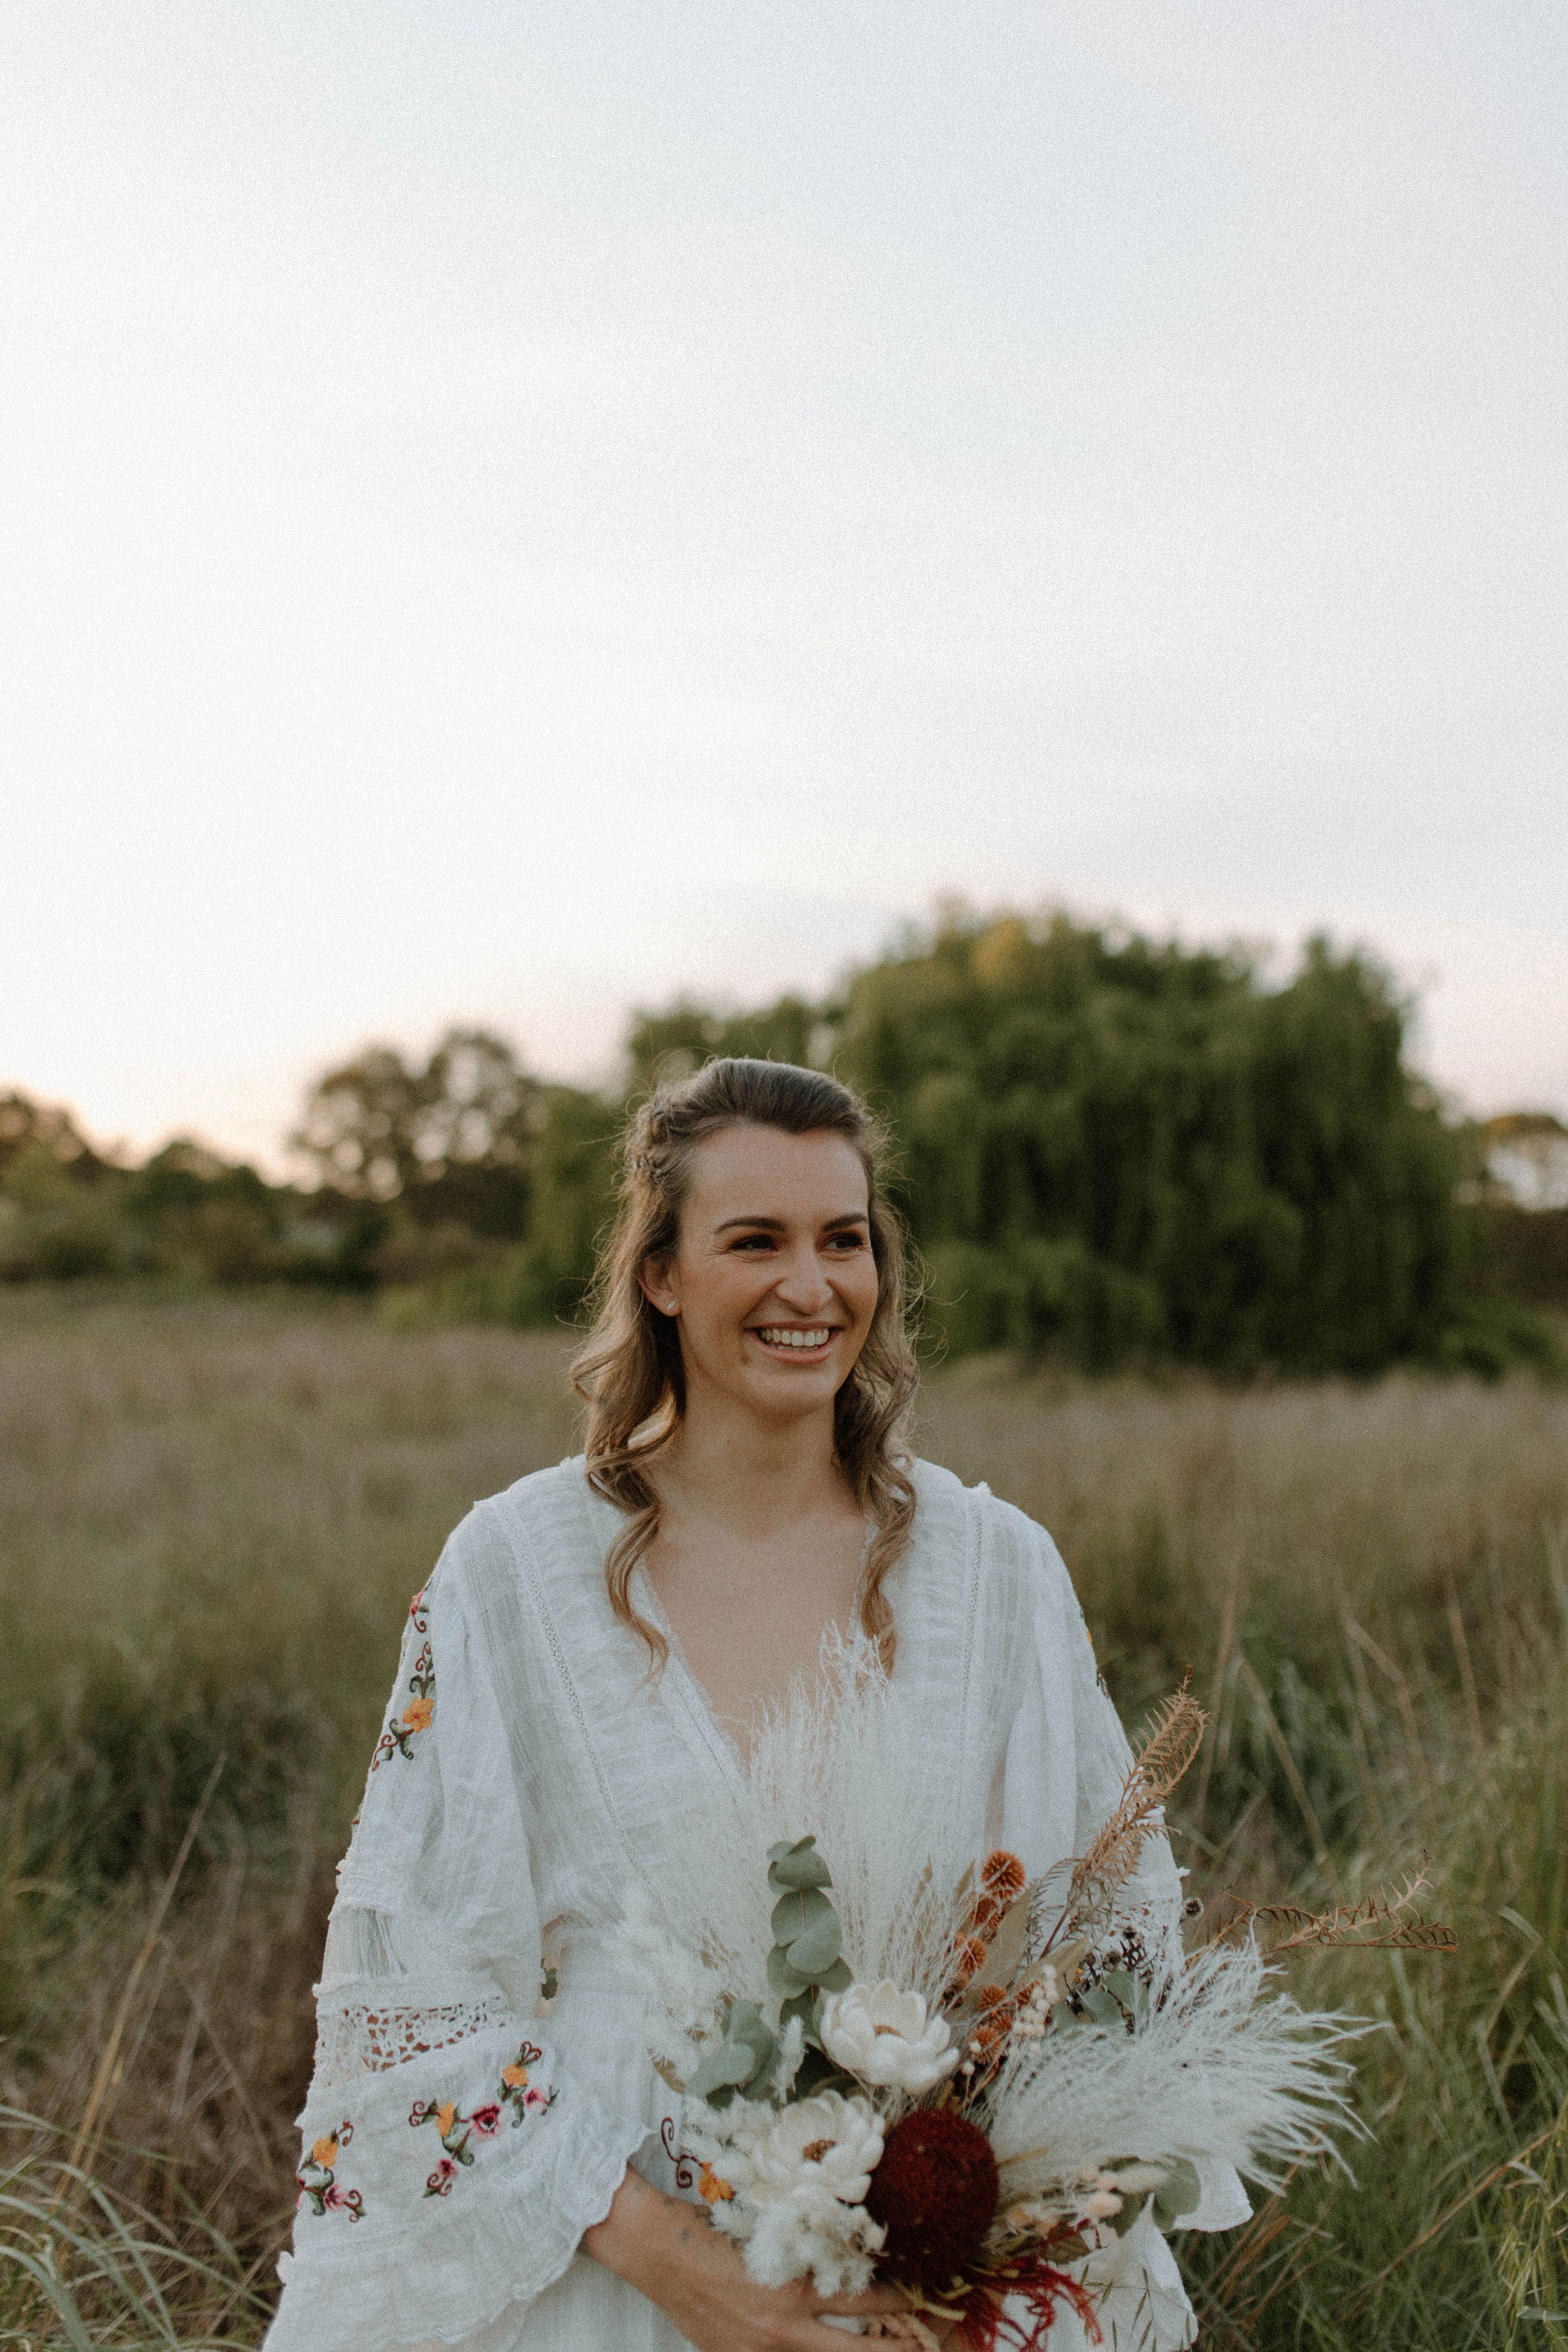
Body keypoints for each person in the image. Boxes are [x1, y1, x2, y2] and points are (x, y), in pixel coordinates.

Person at [265, 1059, 1243, 2352]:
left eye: (845, 1240)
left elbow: (1113, 1946)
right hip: (621, 2274)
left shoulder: (995, 1572)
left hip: (934, 2284)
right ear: (661, 1274)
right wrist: (693, 2274)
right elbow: (418, 1995)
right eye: (756, 1240)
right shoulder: (510, 1572)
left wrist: (991, 2218)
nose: (812, 1285)